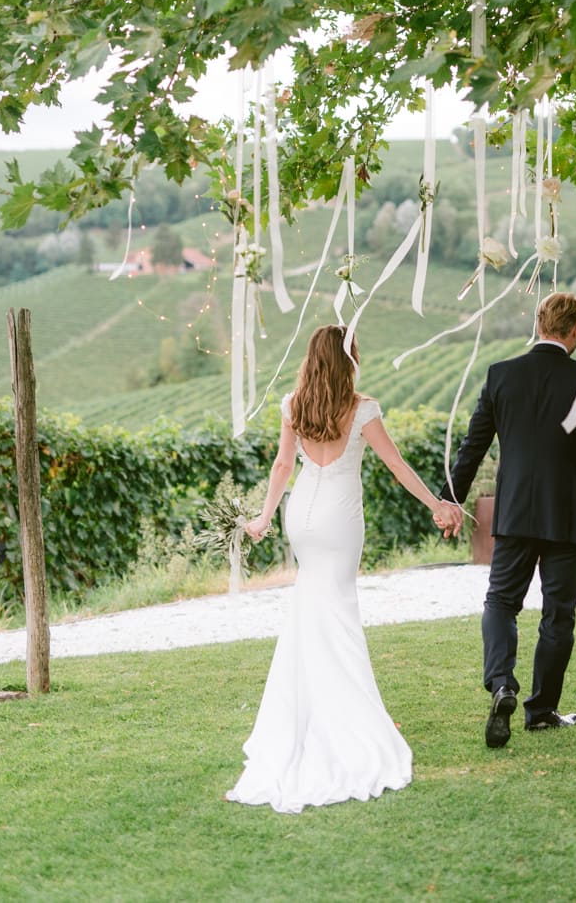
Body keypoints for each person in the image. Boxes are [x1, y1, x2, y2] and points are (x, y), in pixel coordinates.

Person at [225, 323, 461, 814]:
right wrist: (436, 503)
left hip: (303, 515)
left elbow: (281, 468)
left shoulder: (294, 404)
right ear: (347, 358)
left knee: (312, 610)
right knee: (340, 613)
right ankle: (351, 720)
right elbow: (395, 465)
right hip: (338, 518)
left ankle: (311, 712)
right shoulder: (362, 408)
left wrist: (265, 517)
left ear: (312, 359)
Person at [441, 291, 576, 748]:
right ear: (575, 330)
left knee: (501, 602)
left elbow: (473, 446)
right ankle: (541, 711)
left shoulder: (501, 375)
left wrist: (449, 499)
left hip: (516, 511)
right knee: (557, 617)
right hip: (567, 515)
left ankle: (502, 683)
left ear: (539, 324)